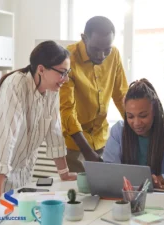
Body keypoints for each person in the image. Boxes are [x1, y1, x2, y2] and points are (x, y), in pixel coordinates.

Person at [0, 41, 76, 202]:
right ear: (41, 69)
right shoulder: (16, 84)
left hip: (21, 172)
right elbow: (5, 135)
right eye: (62, 73)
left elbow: (54, 132)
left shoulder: (51, 90)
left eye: (67, 72)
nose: (66, 79)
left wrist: (64, 173)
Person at [60, 16, 128, 172]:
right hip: (75, 143)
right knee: (78, 193)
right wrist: (87, 152)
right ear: (84, 38)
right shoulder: (67, 58)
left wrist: (136, 126)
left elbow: (121, 95)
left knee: (105, 191)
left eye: (107, 49)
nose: (101, 55)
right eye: (95, 49)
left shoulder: (114, 55)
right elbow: (67, 110)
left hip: (102, 139)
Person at [102, 79, 164, 189]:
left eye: (143, 116)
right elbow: (109, 171)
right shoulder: (118, 131)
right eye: (130, 116)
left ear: (155, 112)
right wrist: (153, 181)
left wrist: (142, 183)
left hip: (163, 201)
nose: (137, 123)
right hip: (126, 200)